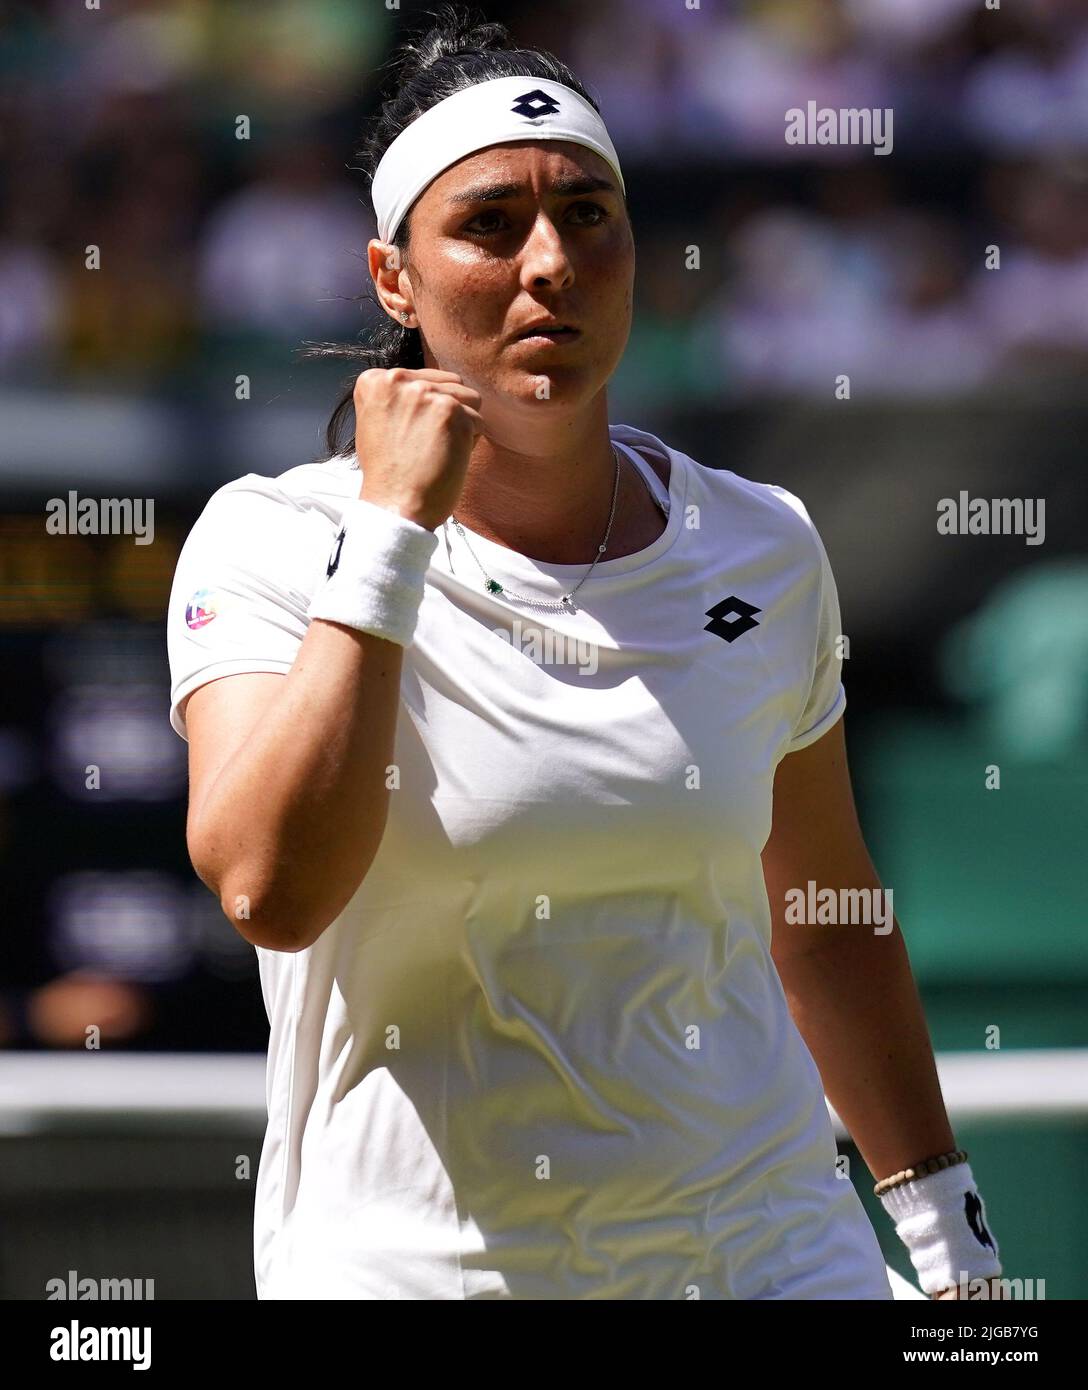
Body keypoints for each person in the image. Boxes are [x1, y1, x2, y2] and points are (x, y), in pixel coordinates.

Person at [166, 5, 1003, 1300]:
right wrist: (390, 538)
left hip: (776, 1254)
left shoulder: (766, 544)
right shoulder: (272, 538)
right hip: (417, 1272)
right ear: (395, 279)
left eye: (589, 215)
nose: (548, 261)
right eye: (491, 223)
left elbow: (825, 918)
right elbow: (269, 885)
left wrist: (953, 1249)